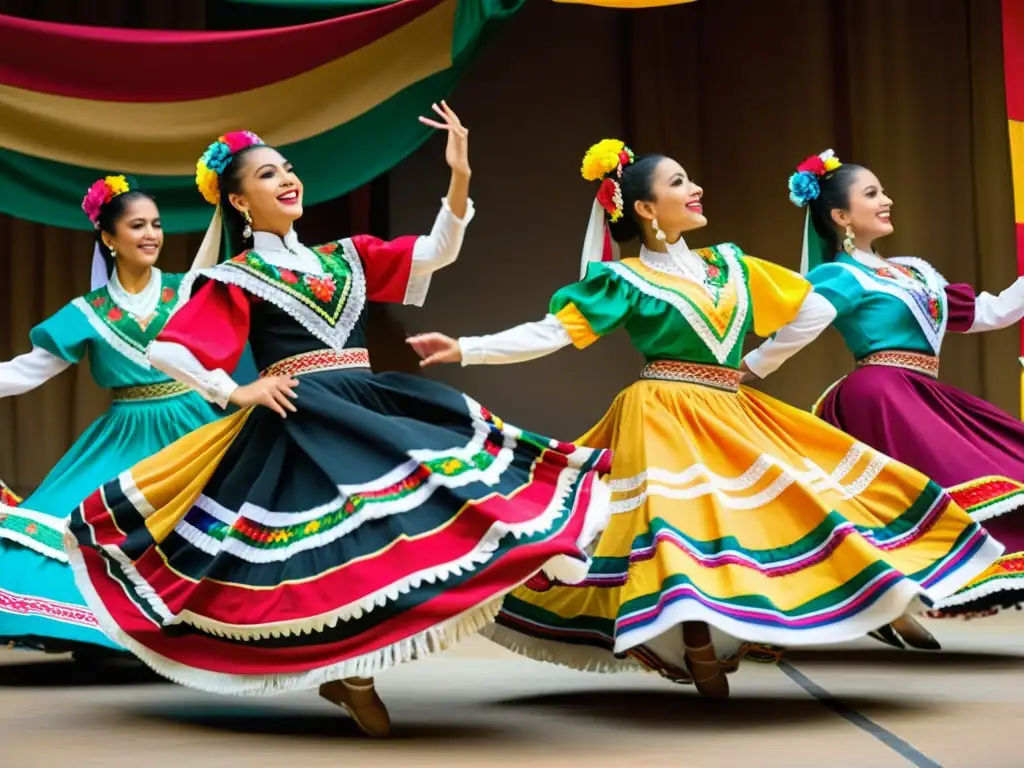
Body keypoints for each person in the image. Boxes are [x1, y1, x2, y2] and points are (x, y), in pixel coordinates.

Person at [65, 105, 612, 738]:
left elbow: (436, 252)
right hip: (300, 423)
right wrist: (238, 390)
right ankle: (352, 675)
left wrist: (459, 175)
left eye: (289, 169)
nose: (287, 180)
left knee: (416, 520)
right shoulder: (235, 276)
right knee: (333, 553)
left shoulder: (345, 257)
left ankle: (350, 670)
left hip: (368, 408)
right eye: (268, 175)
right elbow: (169, 350)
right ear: (239, 202)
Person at [405, 139, 1002, 696]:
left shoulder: (734, 267)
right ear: (645, 207)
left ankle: (843, 607)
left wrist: (752, 367)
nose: (695, 190)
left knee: (799, 503)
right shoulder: (626, 280)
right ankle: (693, 635)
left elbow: (809, 309)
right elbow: (553, 332)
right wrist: (467, 347)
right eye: (678, 183)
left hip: (730, 408)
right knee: (677, 518)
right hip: (662, 409)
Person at [746, 149, 1024, 627]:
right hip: (881, 395)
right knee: (941, 483)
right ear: (840, 216)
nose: (886, 200)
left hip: (919, 392)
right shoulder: (842, 274)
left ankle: (895, 594)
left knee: (999, 458)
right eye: (872, 194)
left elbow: (990, 313)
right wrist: (745, 371)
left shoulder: (913, 274)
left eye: (883, 191)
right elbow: (801, 327)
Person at [0, 176, 241, 657]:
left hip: (193, 428)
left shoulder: (190, 290)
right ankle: (108, 634)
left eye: (156, 224)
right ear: (109, 238)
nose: (151, 234)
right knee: (68, 525)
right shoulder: (87, 313)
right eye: (137, 226)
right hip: (126, 433)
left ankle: (211, 636)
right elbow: (26, 372)